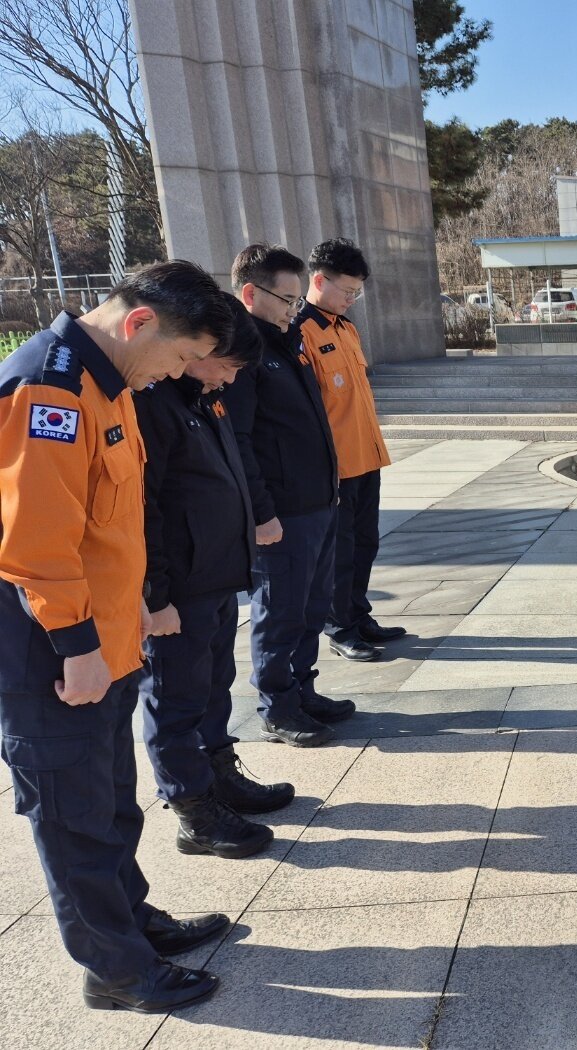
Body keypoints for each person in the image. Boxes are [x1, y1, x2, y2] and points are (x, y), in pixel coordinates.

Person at [0, 261, 235, 1012]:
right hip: (53, 653)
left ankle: (130, 924)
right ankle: (116, 970)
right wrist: (78, 649)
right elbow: (36, 542)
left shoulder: (111, 386)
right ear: (139, 323)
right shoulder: (51, 390)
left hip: (106, 641)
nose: (178, 374)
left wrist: (131, 612)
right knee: (73, 816)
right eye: (179, 356)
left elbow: (111, 525)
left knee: (110, 804)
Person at [136, 315, 296, 861]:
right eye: (224, 365)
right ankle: (193, 810)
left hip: (217, 574)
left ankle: (219, 775)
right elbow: (144, 507)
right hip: (178, 587)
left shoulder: (203, 396)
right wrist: (156, 595)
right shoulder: (153, 403)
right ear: (197, 349)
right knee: (175, 699)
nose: (228, 378)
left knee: (212, 685)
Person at [222, 245, 353, 749]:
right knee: (280, 611)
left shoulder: (287, 341)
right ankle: (277, 706)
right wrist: (262, 512)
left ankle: (302, 690)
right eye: (286, 299)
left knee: (312, 606)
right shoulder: (243, 353)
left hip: (317, 502)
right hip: (282, 513)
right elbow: (239, 440)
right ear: (251, 292)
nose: (294, 309)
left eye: (298, 300)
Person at [299, 238, 403, 662]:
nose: (351, 299)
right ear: (319, 281)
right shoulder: (300, 332)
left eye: (356, 292)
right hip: (336, 467)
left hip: (366, 458)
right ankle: (339, 626)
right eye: (346, 290)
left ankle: (358, 615)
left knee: (365, 544)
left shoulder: (345, 329)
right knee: (339, 552)